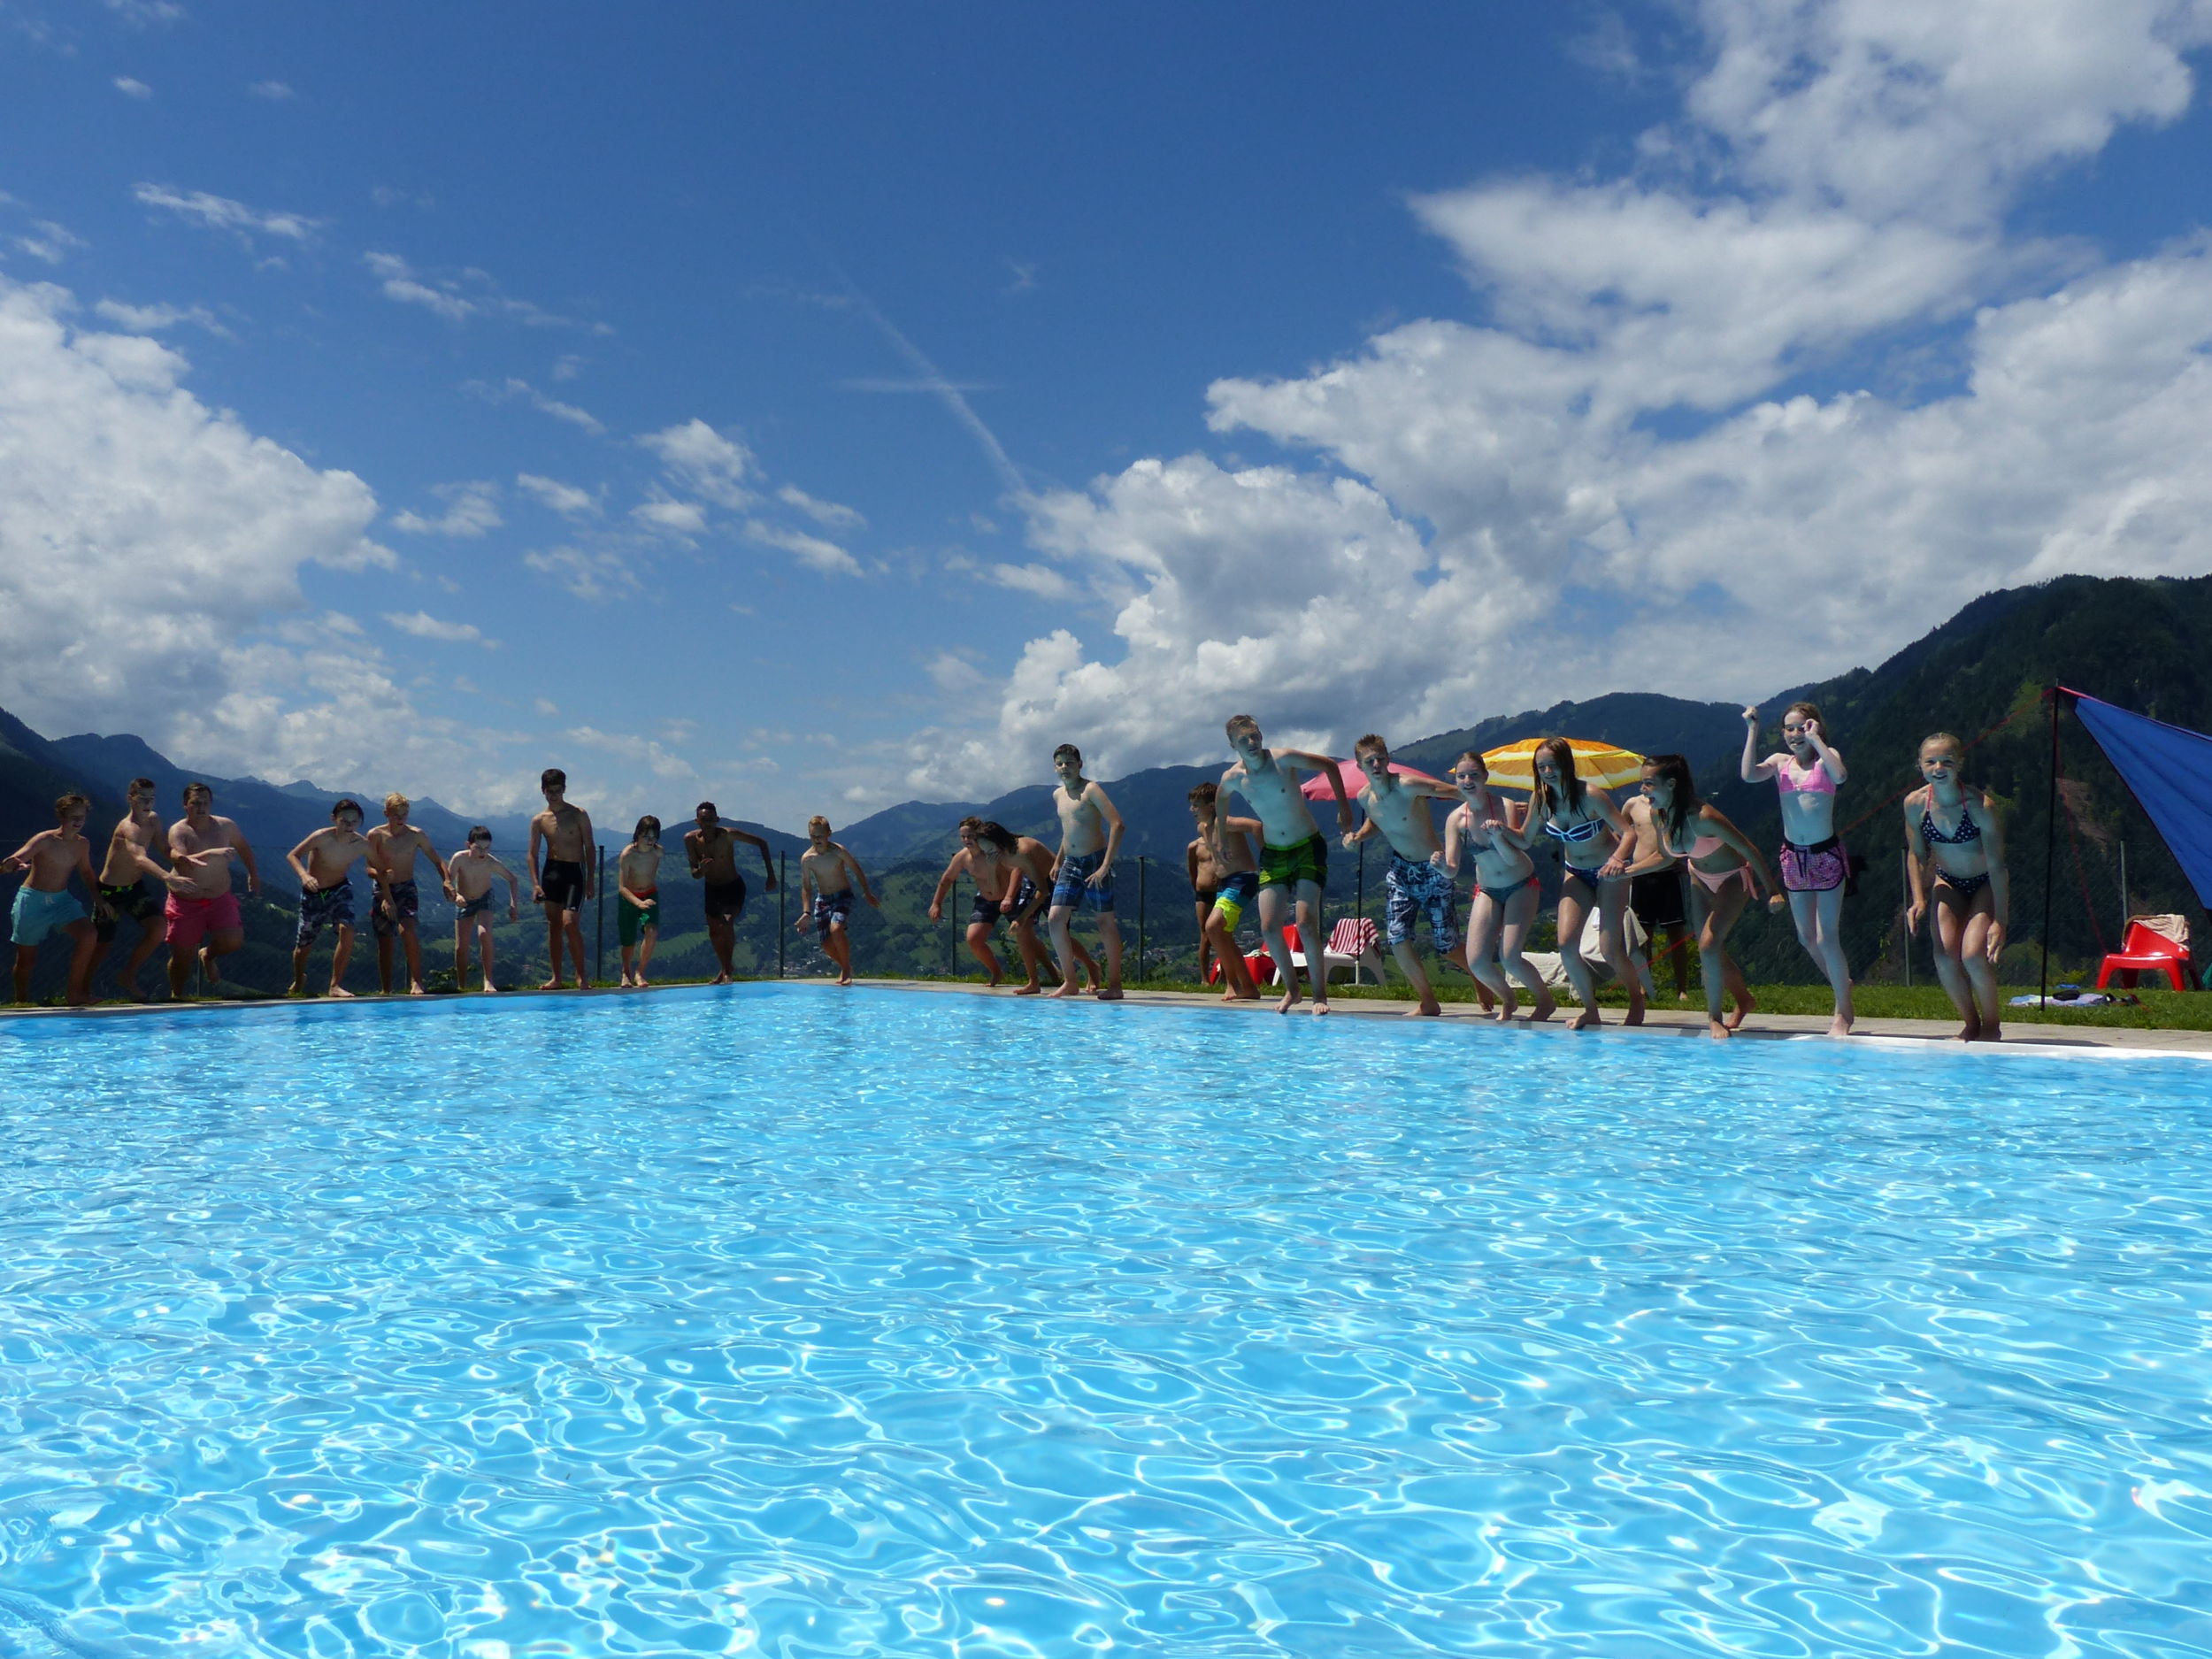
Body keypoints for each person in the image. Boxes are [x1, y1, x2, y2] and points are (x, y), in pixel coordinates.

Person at [1622, 755, 1777, 1040]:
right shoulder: (1660, 815)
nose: (1643, 790)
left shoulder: (1705, 817)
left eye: (1648, 784)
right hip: (1699, 878)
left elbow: (1750, 850)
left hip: (1732, 879)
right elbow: (1664, 857)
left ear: (1670, 784)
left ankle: (1714, 1018)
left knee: (1707, 945)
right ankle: (1744, 1000)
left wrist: (1773, 891)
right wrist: (1626, 872)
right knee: (1709, 946)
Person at [1499, 736, 1640, 1030]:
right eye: (1541, 768)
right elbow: (1524, 839)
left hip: (1608, 871)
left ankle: (1636, 999)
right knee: (1565, 945)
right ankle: (1591, 1010)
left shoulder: (1590, 795)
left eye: (1552, 765)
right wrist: (1501, 831)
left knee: (1609, 949)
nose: (1547, 772)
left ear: (1566, 764)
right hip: (1575, 871)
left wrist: (1619, 859)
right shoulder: (1542, 799)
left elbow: (1627, 833)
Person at [1220, 714, 1352, 1016]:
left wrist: (1343, 807)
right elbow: (1220, 802)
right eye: (1244, 740)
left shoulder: (1284, 759)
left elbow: (1330, 765)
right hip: (1274, 853)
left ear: (1261, 735)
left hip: (1307, 845)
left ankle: (1320, 994)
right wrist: (1221, 839)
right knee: (1268, 927)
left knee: (1305, 922)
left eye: (1255, 736)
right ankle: (1293, 990)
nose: (1252, 743)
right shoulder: (1232, 778)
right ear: (1233, 745)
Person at [1742, 702, 1855, 1036]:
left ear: (1816, 727)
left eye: (1803, 727)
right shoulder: (1780, 764)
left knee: (1827, 937)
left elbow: (1841, 776)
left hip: (1825, 855)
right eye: (1789, 728)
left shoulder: (1826, 757)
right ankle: (1841, 982)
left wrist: (1818, 740)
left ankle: (1843, 1013)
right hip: (1793, 856)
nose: (1795, 734)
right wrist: (1752, 730)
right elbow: (1748, 775)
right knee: (1807, 938)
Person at [1340, 735, 1465, 1017]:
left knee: (1447, 946)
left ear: (1388, 759)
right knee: (1397, 939)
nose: (1376, 764)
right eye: (1369, 761)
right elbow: (1377, 819)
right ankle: (1428, 1001)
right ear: (1359, 766)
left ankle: (1482, 981)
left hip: (1434, 869)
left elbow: (1456, 791)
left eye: (1380, 759)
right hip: (1401, 871)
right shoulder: (1363, 797)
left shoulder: (1408, 785)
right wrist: (1358, 837)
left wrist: (1490, 806)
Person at [1902, 733, 2008, 1041]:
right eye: (1930, 761)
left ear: (1959, 764)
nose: (1939, 767)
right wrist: (1918, 900)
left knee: (1973, 956)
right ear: (1920, 766)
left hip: (1984, 883)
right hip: (1947, 882)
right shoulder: (1915, 805)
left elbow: (1998, 866)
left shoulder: (1979, 807)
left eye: (1947, 761)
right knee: (1945, 958)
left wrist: (2000, 920)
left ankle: (1991, 1026)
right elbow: (1916, 854)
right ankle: (1970, 1023)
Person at [1441, 750, 1555, 1022]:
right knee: (1477, 962)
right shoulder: (1456, 819)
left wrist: (1499, 836)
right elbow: (1452, 868)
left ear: (1485, 777)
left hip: (1521, 884)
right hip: (1488, 890)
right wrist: (1440, 867)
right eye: (1462, 776)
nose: (1468, 780)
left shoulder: (1504, 806)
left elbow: (1513, 856)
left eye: (1474, 775)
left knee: (1510, 957)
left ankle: (1545, 1002)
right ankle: (1509, 999)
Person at [93, 776, 188, 1001]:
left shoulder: (154, 820)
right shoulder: (128, 828)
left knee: (158, 929)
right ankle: (81, 990)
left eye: (151, 798)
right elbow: (139, 858)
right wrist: (167, 876)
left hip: (134, 888)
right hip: (110, 892)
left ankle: (128, 976)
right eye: (142, 798)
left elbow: (164, 848)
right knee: (101, 945)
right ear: (130, 799)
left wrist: (185, 860)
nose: (148, 803)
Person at [3, 793, 101, 1006]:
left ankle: (74, 994)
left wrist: (100, 901)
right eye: (73, 817)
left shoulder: (82, 844)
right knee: (26, 959)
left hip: (61, 901)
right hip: (32, 901)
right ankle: (22, 1001)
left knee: (89, 934)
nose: (78, 822)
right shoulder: (45, 839)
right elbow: (21, 855)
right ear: (62, 817)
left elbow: (86, 872)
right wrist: (11, 864)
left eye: (82, 817)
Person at [1046, 744, 1125, 1000]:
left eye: (1069, 763)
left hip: (1095, 862)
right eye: (1060, 764)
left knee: (1104, 923)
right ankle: (1070, 981)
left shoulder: (1091, 790)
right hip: (1070, 862)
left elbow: (1117, 824)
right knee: (1055, 918)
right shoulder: (1058, 795)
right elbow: (1068, 831)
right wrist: (1058, 861)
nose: (1064, 768)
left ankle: (1115, 984)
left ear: (1080, 764)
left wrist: (1105, 866)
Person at [165, 781, 257, 1000]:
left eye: (205, 802)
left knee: (232, 941)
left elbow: (243, 847)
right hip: (186, 899)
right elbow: (181, 862)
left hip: (218, 897)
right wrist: (212, 853)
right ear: (185, 805)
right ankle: (176, 995)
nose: (201, 807)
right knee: (182, 957)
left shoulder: (226, 826)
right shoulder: (179, 831)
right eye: (196, 803)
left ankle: (207, 955)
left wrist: (253, 873)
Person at [931, 817, 1047, 990]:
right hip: (986, 898)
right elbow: (947, 879)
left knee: (1024, 934)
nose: (966, 841)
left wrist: (1008, 897)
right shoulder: (963, 857)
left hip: (1010, 896)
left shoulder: (994, 852)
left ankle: (1041, 976)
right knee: (973, 938)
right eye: (962, 837)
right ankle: (996, 972)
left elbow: (1017, 869)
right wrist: (936, 903)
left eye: (970, 836)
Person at [284, 798, 374, 997]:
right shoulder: (321, 837)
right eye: (344, 821)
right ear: (334, 819)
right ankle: (299, 979)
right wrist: (304, 876)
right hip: (315, 893)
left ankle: (335, 985)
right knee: (304, 946)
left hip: (340, 889)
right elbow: (293, 855)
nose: (350, 826)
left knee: (347, 930)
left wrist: (385, 878)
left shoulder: (362, 844)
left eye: (354, 821)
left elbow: (378, 866)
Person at [684, 800, 775, 985]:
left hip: (732, 886)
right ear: (697, 822)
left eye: (711, 820)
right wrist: (701, 870)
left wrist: (771, 875)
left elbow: (762, 843)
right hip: (712, 888)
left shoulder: (728, 835)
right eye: (704, 820)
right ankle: (725, 968)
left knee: (726, 922)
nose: (708, 824)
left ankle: (727, 972)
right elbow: (695, 874)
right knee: (713, 931)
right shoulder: (691, 840)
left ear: (717, 819)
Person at [365, 794, 448, 996]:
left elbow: (437, 860)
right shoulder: (376, 835)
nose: (400, 818)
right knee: (385, 940)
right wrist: (382, 876)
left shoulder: (416, 835)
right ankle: (387, 988)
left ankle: (416, 981)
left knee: (407, 930)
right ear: (386, 813)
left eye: (404, 814)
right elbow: (368, 868)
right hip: (383, 888)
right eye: (396, 814)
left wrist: (446, 880)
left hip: (406, 887)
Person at [1617, 783, 1693, 1003]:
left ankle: (1682, 989)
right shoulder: (1631, 805)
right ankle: (1643, 985)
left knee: (1676, 934)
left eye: (1651, 782)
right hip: (1641, 874)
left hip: (1668, 873)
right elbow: (1621, 833)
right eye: (1645, 781)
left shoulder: (1671, 805)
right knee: (1643, 937)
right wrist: (1619, 860)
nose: (1646, 786)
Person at [1187, 782, 1261, 1002]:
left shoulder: (1225, 822)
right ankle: (1246, 987)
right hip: (1226, 883)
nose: (1192, 810)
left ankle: (1234, 984)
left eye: (1196, 806)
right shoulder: (1203, 828)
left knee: (1212, 926)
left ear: (1211, 806)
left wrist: (1267, 860)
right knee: (1223, 934)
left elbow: (1257, 826)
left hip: (1242, 879)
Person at [529, 768, 597, 990]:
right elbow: (532, 853)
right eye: (550, 791)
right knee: (554, 926)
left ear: (564, 789)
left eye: (558, 791)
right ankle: (556, 978)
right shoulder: (539, 820)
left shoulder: (578, 814)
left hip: (573, 872)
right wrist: (536, 884)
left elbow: (590, 847)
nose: (554, 795)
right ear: (543, 791)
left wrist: (590, 881)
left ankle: (581, 976)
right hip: (551, 872)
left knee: (570, 923)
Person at [795, 816, 881, 986]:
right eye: (813, 836)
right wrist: (806, 912)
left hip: (842, 895)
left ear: (829, 834)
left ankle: (846, 970)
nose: (817, 840)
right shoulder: (807, 859)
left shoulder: (839, 851)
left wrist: (867, 893)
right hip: (823, 899)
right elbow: (806, 887)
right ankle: (845, 965)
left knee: (836, 929)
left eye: (820, 836)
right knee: (826, 945)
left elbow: (857, 870)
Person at [446, 826, 520, 994]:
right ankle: (462, 985)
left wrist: (513, 905)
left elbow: (513, 879)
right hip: (464, 901)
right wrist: (456, 896)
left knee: (484, 934)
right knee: (461, 946)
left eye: (487, 848)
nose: (482, 852)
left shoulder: (490, 862)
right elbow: (447, 883)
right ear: (468, 845)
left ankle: (488, 980)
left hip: (484, 898)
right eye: (478, 848)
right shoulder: (459, 859)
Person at [616, 816, 664, 988]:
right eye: (646, 837)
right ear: (637, 835)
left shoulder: (657, 852)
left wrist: (644, 902)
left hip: (650, 894)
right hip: (629, 898)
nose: (650, 841)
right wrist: (637, 903)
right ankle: (626, 972)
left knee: (651, 932)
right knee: (628, 941)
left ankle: (640, 972)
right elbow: (622, 887)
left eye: (653, 837)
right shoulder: (628, 854)